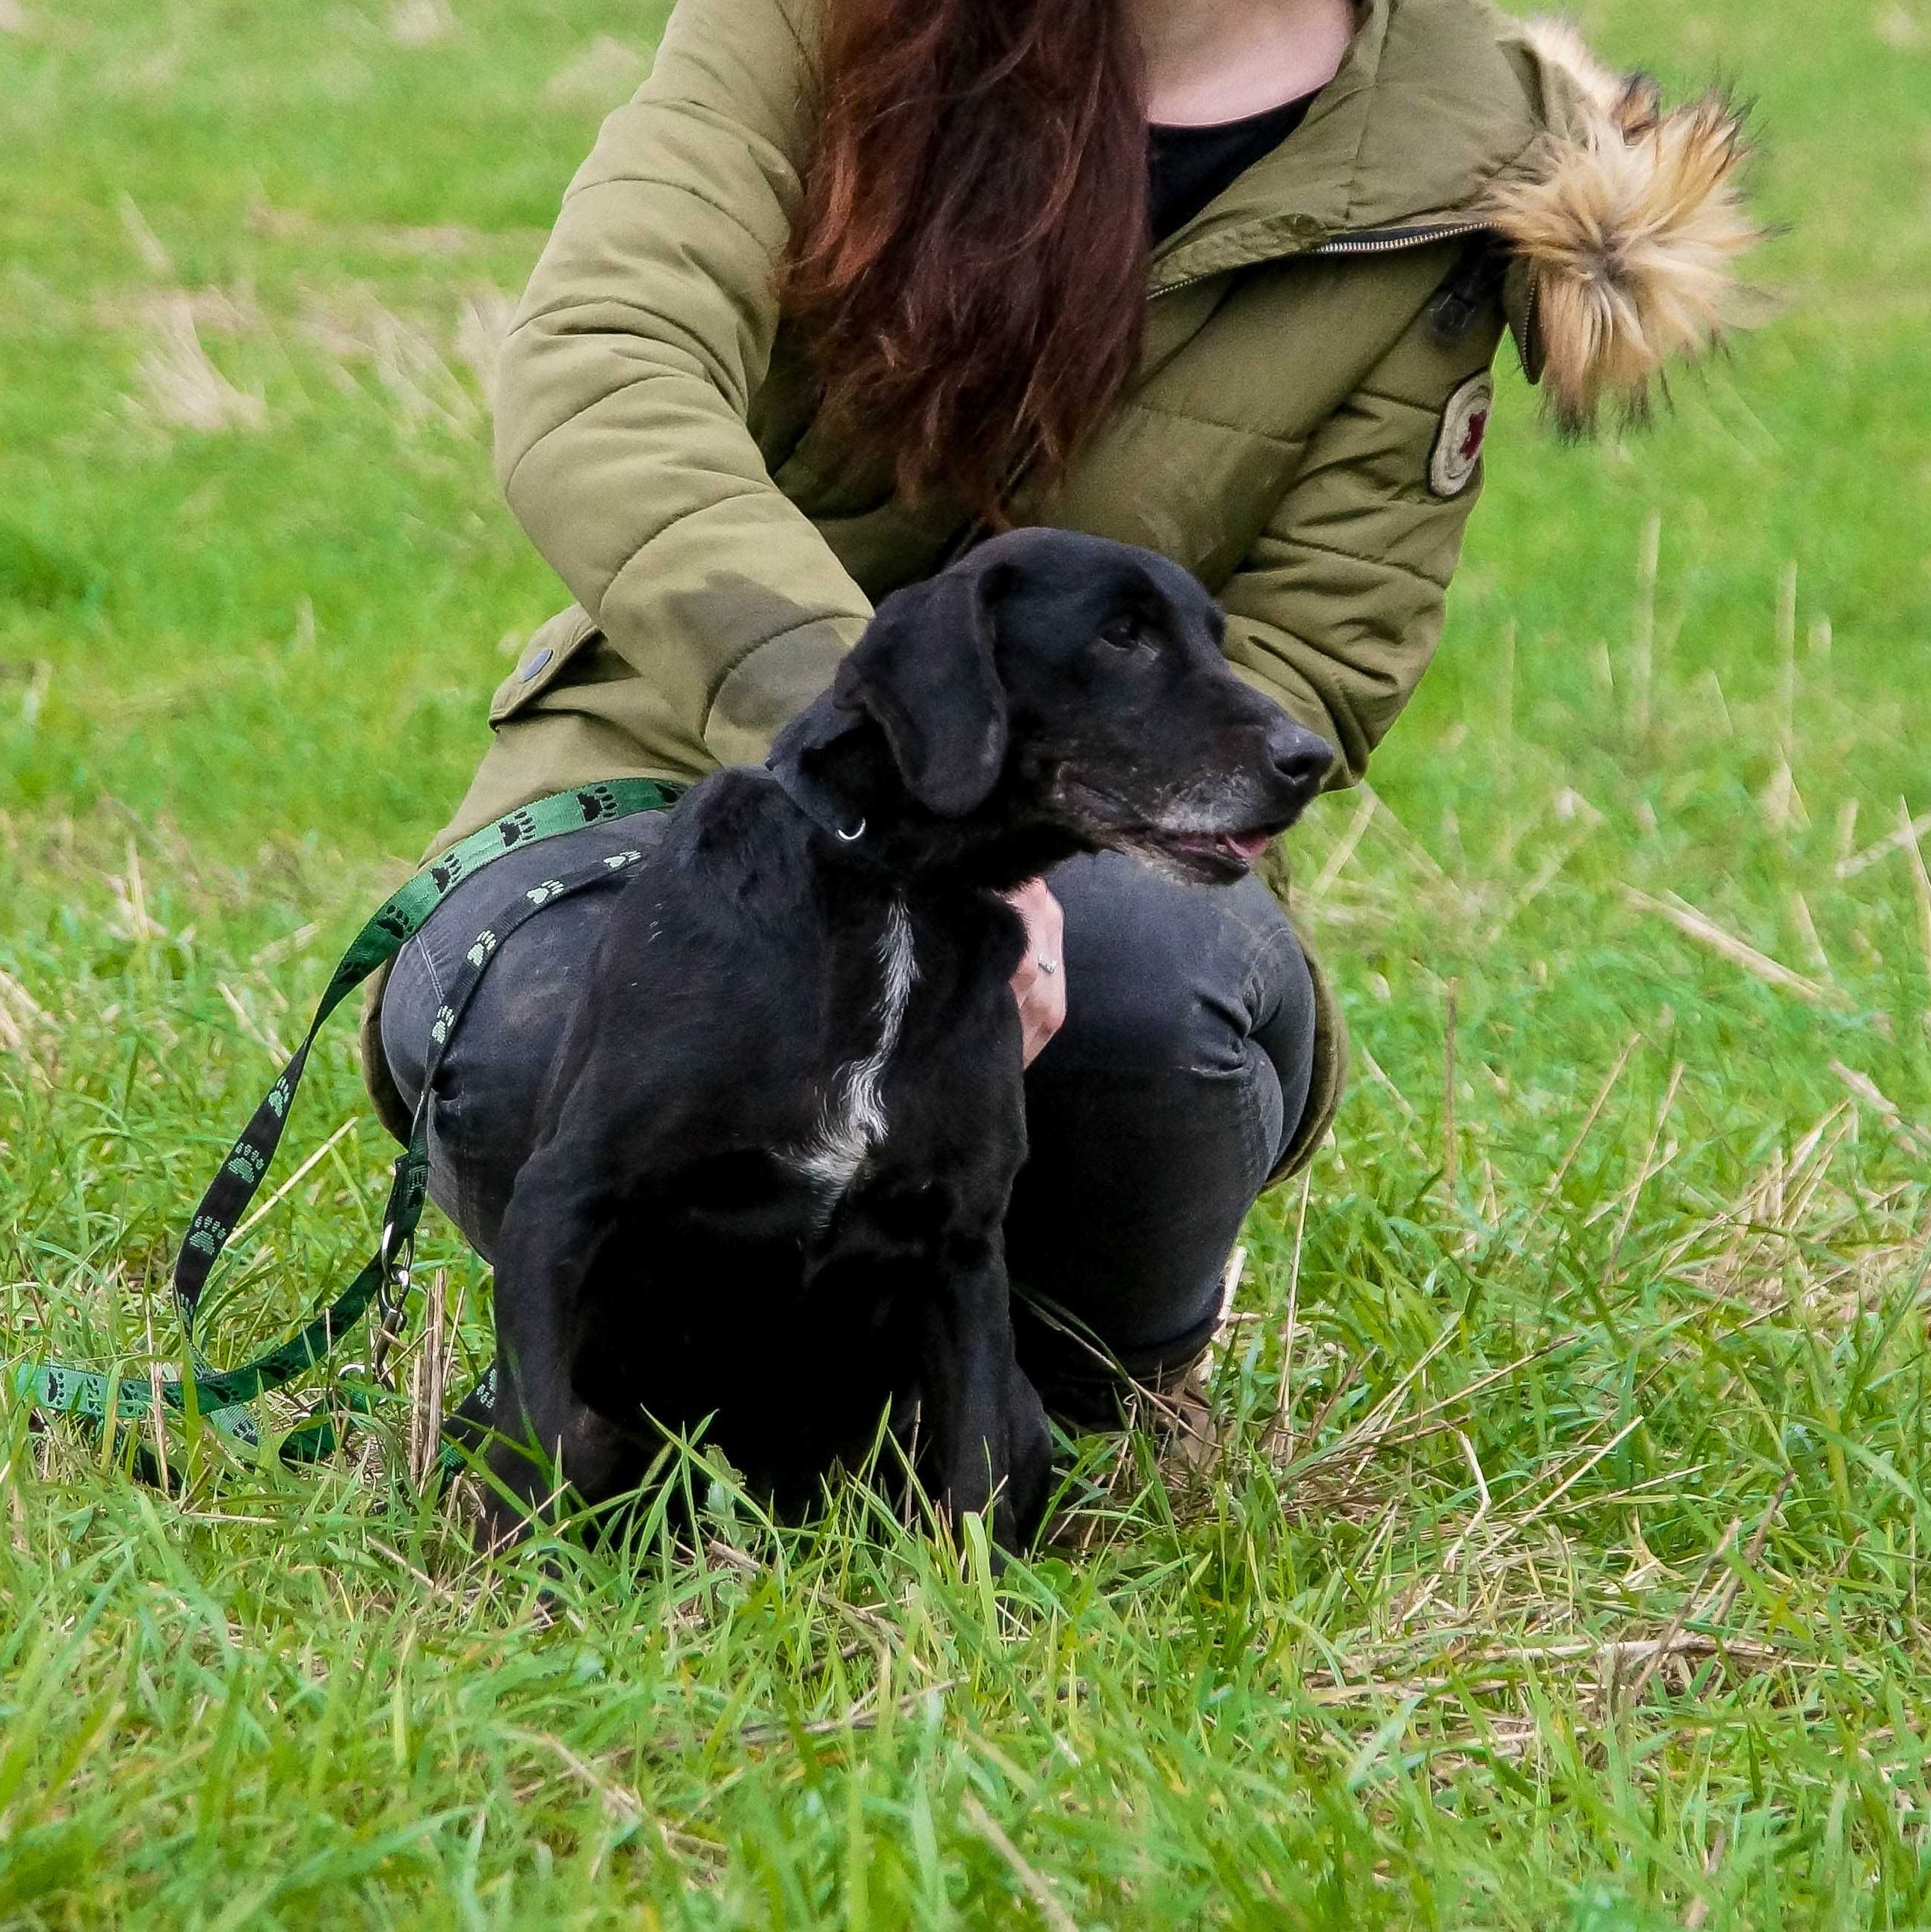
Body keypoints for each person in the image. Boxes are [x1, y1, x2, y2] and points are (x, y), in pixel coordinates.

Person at [364, 0, 1755, 1428]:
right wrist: (891, 763)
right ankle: (617, 1413)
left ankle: (1066, 1404)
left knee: (1146, 1004)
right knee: (546, 1028)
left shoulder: (1469, 149)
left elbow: (1314, 648)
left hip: (1089, 829)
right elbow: (604, 370)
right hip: (673, 747)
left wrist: (1016, 853)